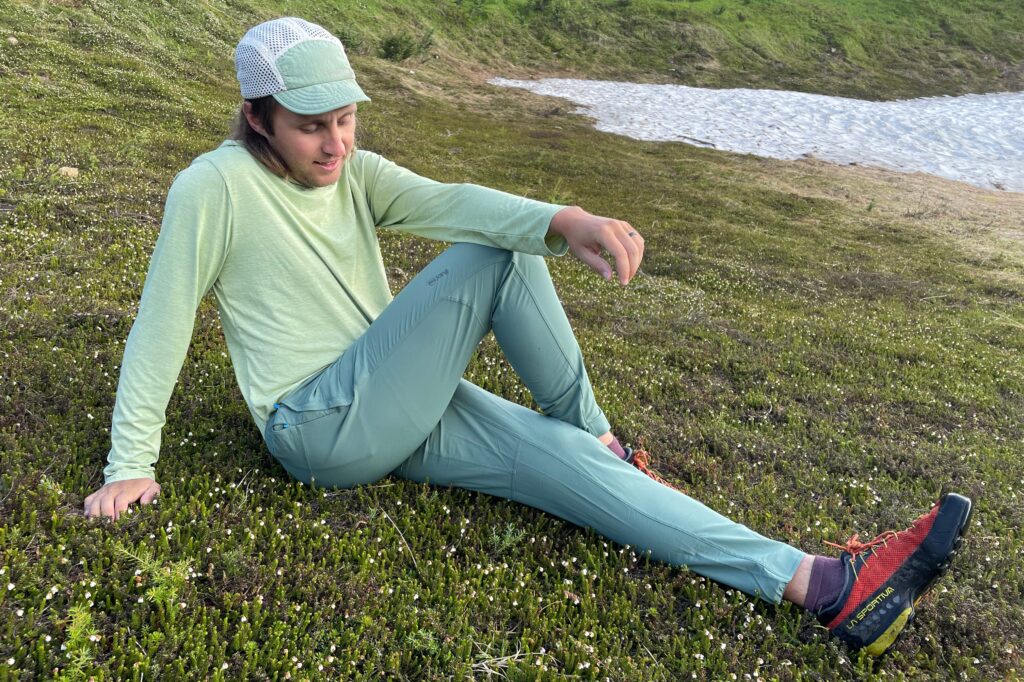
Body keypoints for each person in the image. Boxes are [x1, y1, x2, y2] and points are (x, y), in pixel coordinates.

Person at [83, 17, 971, 658]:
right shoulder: (213, 187)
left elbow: (452, 198)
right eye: (312, 124)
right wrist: (132, 463)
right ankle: (599, 432)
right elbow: (161, 321)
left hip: (391, 393)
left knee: (568, 463)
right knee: (496, 260)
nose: (335, 143)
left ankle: (821, 587)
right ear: (258, 115)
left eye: (345, 118)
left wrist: (565, 215)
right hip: (315, 426)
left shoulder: (355, 172)